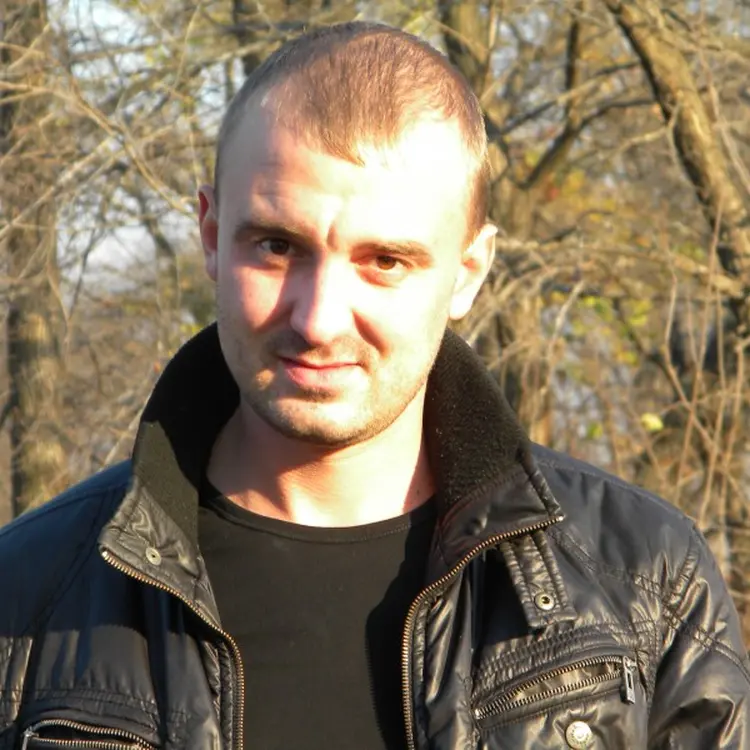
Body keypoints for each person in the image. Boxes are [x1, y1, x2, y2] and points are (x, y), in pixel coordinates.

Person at [1, 20, 748, 750]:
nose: (319, 319)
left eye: (385, 261)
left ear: (468, 273)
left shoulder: (645, 583)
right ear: (210, 236)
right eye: (276, 246)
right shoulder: (24, 598)